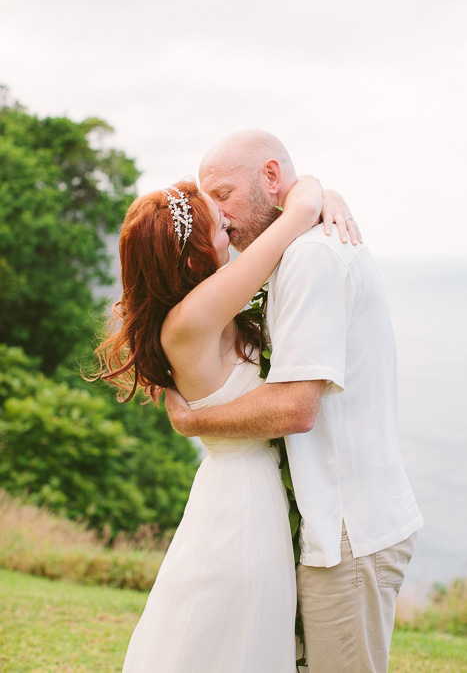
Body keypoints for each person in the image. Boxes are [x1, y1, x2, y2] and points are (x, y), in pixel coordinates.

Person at [166, 130, 425, 673]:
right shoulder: (287, 252)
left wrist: (195, 421)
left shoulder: (308, 256)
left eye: (224, 193)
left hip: (350, 526)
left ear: (269, 178)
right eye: (209, 202)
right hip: (322, 523)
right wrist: (312, 192)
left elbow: (295, 408)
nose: (219, 213)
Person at [92, 174, 356, 672]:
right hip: (240, 503)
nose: (230, 229)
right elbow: (295, 217)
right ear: (195, 258)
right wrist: (318, 194)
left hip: (246, 492)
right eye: (218, 229)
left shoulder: (199, 311)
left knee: (230, 635)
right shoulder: (193, 316)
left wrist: (332, 198)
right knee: (229, 635)